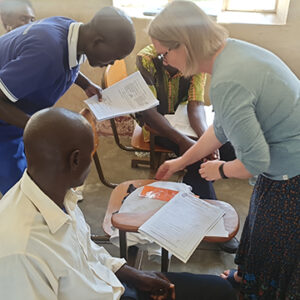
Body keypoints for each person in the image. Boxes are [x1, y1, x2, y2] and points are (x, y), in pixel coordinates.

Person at [0, 107, 237, 300]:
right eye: (91, 152)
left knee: (221, 290)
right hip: (111, 291)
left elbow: (87, 252)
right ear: (75, 160)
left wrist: (135, 276)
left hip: (115, 285)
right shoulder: (20, 251)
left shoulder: (55, 193)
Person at [150, 1, 300, 299]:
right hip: (283, 163)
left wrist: (218, 170)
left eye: (164, 54)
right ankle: (249, 280)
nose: (165, 63)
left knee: (275, 242)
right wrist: (183, 160)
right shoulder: (232, 52)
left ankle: (261, 291)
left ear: (185, 44)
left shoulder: (227, 80)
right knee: (259, 228)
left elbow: (254, 162)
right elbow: (221, 128)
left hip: (291, 175)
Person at [0, 6, 136, 196]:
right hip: (4, 123)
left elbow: (68, 58)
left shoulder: (73, 32)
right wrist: (37, 128)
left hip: (17, 113)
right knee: (22, 193)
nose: (113, 63)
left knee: (32, 173)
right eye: (114, 57)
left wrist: (86, 83)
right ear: (97, 41)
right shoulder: (46, 53)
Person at [136, 44, 238, 254]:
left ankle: (195, 198)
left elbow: (195, 105)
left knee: (227, 148)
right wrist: (189, 145)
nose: (164, 57)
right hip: (157, 128)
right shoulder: (146, 59)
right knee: (197, 160)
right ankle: (211, 220)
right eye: (162, 52)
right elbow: (149, 112)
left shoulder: (195, 58)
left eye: (170, 52)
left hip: (183, 123)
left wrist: (204, 141)